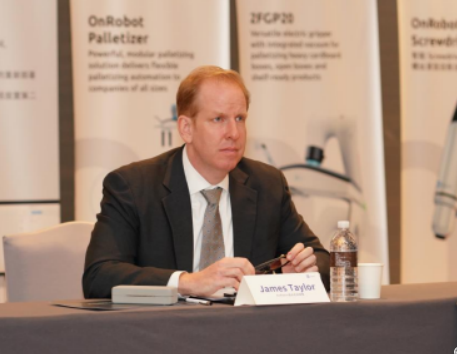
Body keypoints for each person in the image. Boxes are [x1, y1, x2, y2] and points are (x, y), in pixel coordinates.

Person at [83, 66, 329, 298]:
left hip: (248, 326)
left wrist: (290, 274)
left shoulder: (267, 184)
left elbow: (323, 262)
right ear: (186, 128)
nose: (234, 133)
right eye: (218, 119)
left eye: (240, 118)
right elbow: (99, 277)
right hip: (165, 326)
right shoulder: (133, 187)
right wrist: (188, 282)